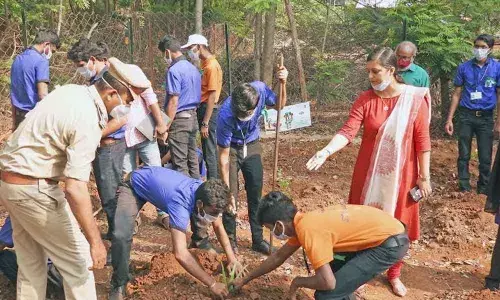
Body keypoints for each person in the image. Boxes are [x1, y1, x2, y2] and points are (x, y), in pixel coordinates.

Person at [0, 62, 142, 299]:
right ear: (111, 93)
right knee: (79, 263)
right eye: (128, 101)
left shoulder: (71, 92)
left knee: (31, 264)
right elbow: (75, 188)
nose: (128, 107)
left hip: (11, 184)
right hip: (36, 189)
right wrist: (95, 241)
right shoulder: (87, 118)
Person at [307, 47, 432, 297]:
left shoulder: (414, 99)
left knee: (398, 225)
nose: (371, 77)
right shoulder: (366, 99)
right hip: (368, 177)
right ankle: (360, 272)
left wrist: (424, 176)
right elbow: (348, 131)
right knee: (361, 225)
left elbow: (423, 140)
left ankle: (394, 274)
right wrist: (326, 151)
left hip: (401, 177)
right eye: (368, 72)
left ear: (391, 70)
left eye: (375, 71)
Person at [234, 191, 410, 300]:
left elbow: (328, 283)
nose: (272, 233)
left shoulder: (309, 231)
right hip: (385, 234)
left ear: (279, 225)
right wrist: (245, 279)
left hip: (388, 245)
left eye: (269, 229)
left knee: (326, 294)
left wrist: (297, 282)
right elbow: (278, 257)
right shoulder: (302, 222)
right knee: (335, 273)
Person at [109, 167, 242, 300]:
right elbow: (180, 253)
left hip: (153, 181)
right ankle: (118, 283)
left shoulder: (203, 191)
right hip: (132, 187)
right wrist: (212, 283)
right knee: (122, 235)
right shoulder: (180, 204)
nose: (215, 217)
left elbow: (218, 226)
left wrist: (232, 259)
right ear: (200, 204)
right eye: (213, 213)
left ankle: (120, 261)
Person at [217, 68, 288, 254]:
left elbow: (280, 104)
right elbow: (223, 157)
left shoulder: (261, 91)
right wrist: (227, 190)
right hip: (232, 149)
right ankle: (230, 241)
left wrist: (283, 83)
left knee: (255, 191)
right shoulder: (225, 115)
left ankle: (257, 239)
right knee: (229, 195)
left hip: (252, 144)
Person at [68, 39, 127, 242]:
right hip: (105, 145)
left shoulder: (108, 81)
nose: (80, 71)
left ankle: (119, 243)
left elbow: (122, 118)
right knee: (108, 192)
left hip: (110, 145)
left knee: (111, 196)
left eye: (81, 66)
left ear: (92, 59)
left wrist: (92, 136)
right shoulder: (97, 80)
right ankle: (115, 234)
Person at [445, 34, 500, 194]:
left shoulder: (496, 68)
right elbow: (456, 93)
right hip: (466, 116)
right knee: (464, 153)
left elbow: (499, 95)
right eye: (477, 46)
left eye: (483, 47)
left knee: (485, 155)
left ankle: (484, 187)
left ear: (490, 49)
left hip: (486, 117)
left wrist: (498, 121)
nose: (479, 50)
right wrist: (449, 119)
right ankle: (464, 185)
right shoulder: (464, 67)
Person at [159, 35, 201, 178]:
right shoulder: (193, 68)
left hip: (180, 121)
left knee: (180, 163)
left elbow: (173, 101)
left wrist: (166, 126)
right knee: (193, 160)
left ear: (167, 52)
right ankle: (198, 195)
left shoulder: (174, 70)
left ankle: (185, 198)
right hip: (193, 118)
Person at [182, 34, 223, 180]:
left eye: (190, 48)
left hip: (208, 110)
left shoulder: (211, 66)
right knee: (207, 149)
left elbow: (212, 95)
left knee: (209, 150)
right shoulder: (205, 64)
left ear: (199, 47)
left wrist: (205, 122)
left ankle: (213, 185)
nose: (189, 52)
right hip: (204, 108)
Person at [10, 29, 60, 129]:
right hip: (33, 117)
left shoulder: (18, 58)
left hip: (19, 115)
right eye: (52, 51)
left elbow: (13, 91)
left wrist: (14, 122)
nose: (51, 54)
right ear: (47, 44)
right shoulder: (41, 61)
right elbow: (43, 95)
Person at [0, 218, 63, 289]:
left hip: (49, 273)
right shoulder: (61, 213)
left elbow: (1, 243)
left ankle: (27, 289)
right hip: (66, 271)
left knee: (3, 257)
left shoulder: (18, 215)